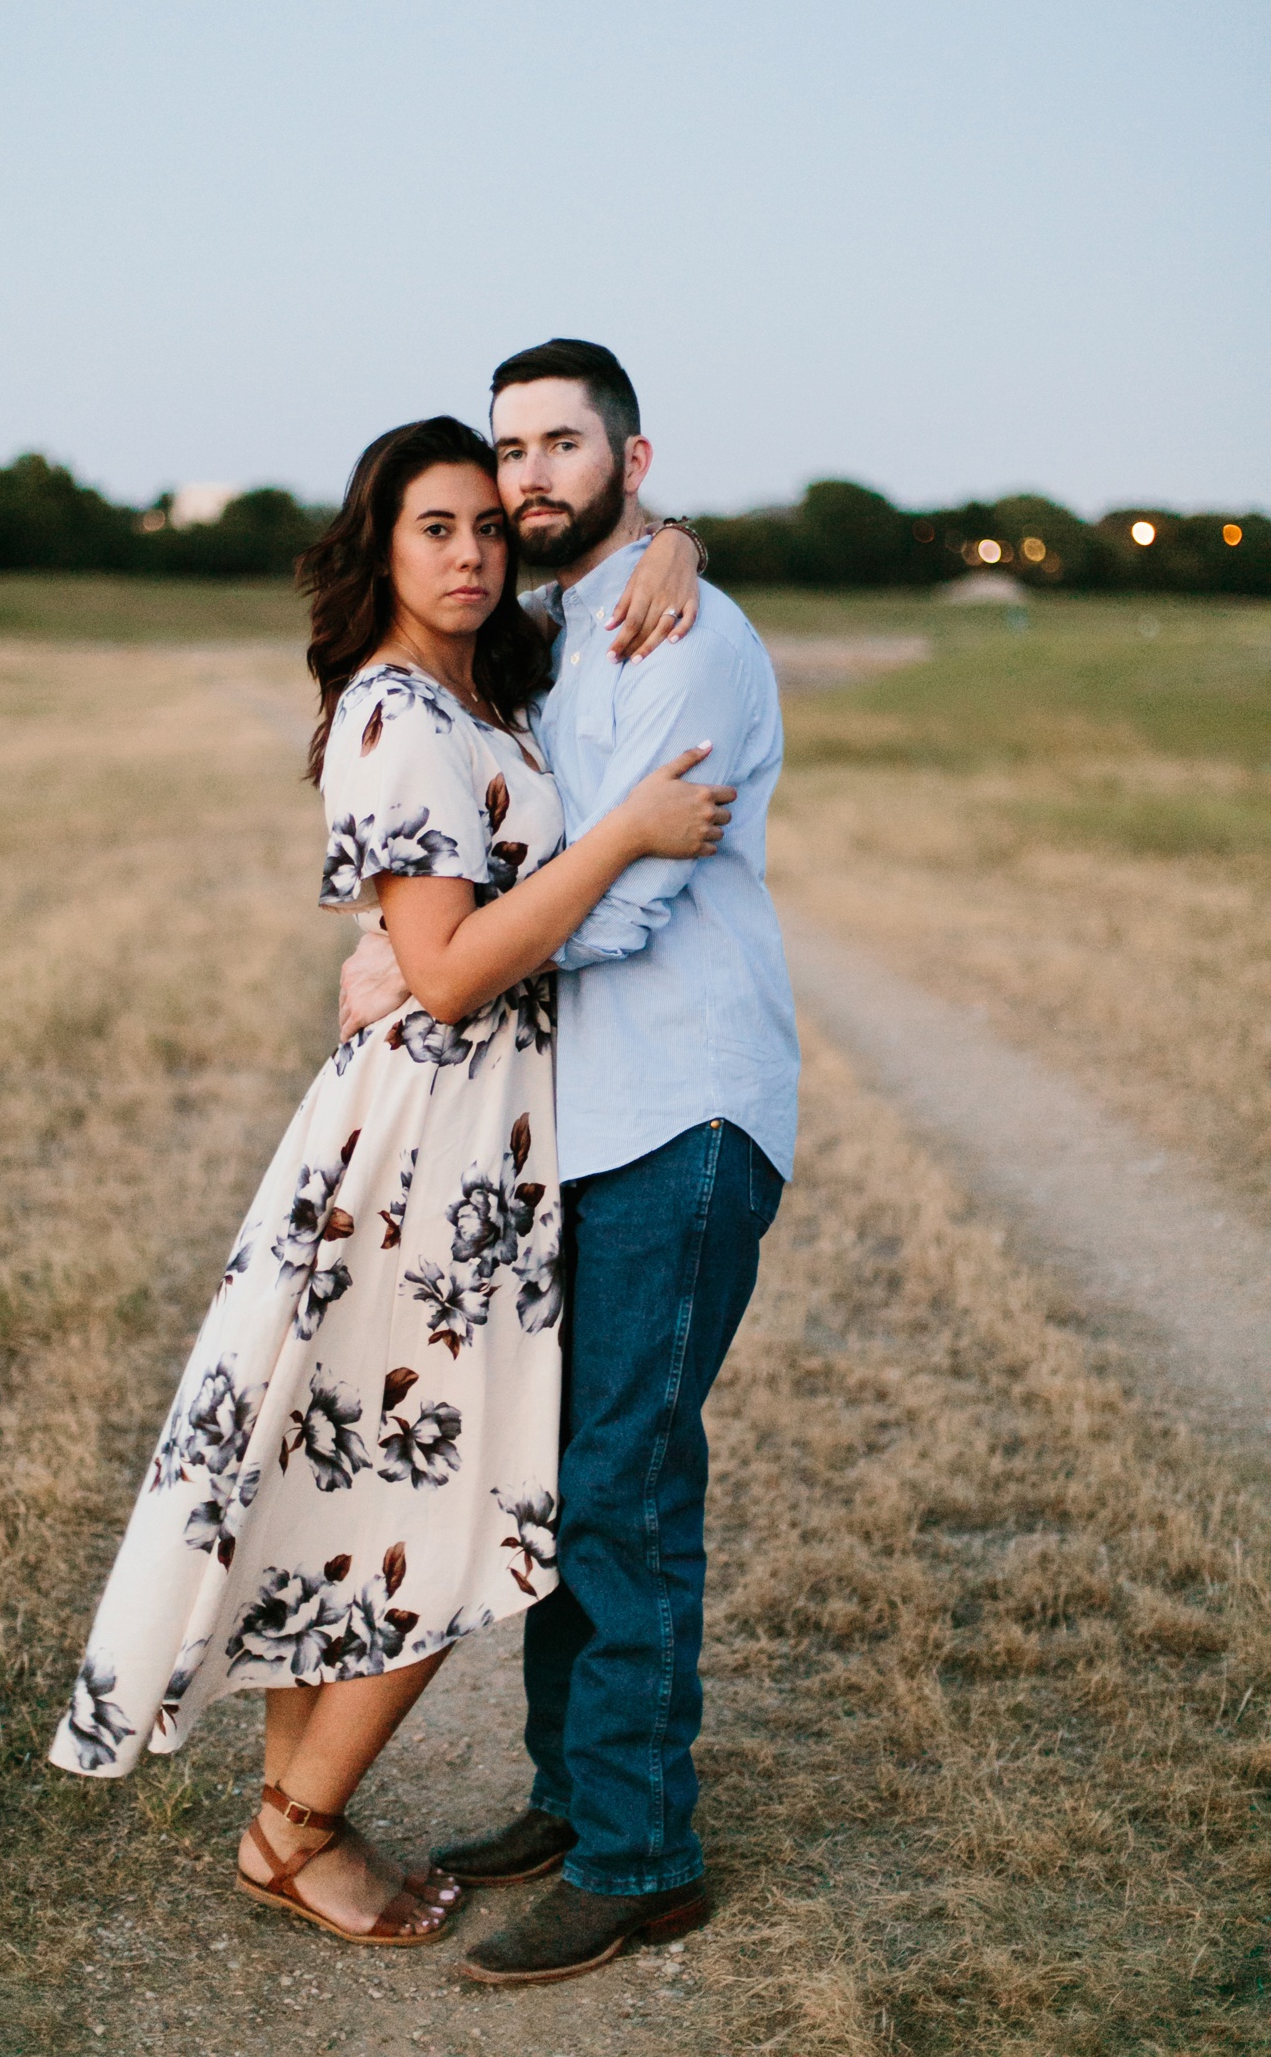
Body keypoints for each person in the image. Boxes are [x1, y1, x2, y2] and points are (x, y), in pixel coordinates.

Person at [47, 414, 728, 1952]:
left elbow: (612, 563)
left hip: (476, 1145)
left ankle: (294, 1819)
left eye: (490, 525)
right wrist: (625, 832)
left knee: (359, 1483)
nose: (475, 552)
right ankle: (294, 1832)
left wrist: (679, 537)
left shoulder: (487, 685)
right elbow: (453, 966)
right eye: (438, 527)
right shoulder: (397, 710)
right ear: (383, 543)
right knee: (454, 1497)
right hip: (429, 1151)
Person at [338, 342, 800, 1983]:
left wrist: (436, 964)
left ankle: (642, 1856)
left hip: (684, 1109)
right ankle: (570, 1792)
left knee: (625, 1478)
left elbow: (633, 897)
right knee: (567, 1473)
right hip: (577, 1125)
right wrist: (432, 942)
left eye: (563, 444)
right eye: (511, 448)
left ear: (632, 457)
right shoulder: (548, 640)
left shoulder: (685, 634)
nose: (530, 475)